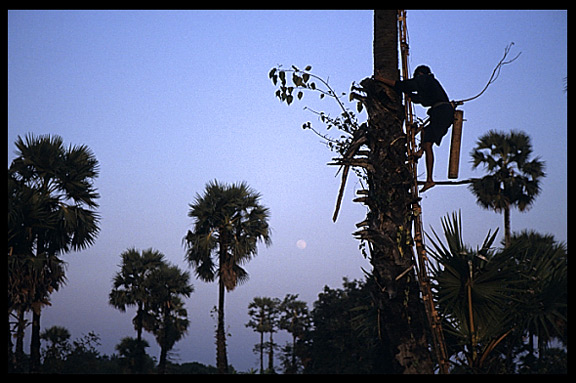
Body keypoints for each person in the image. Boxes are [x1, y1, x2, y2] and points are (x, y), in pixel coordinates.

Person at [374, 65, 454, 192]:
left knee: (428, 145)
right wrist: (410, 96)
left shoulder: (425, 79)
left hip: (441, 112)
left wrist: (381, 79)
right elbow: (422, 100)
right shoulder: (431, 85)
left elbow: (404, 85)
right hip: (443, 112)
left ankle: (429, 179)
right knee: (425, 132)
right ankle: (420, 152)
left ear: (420, 74)